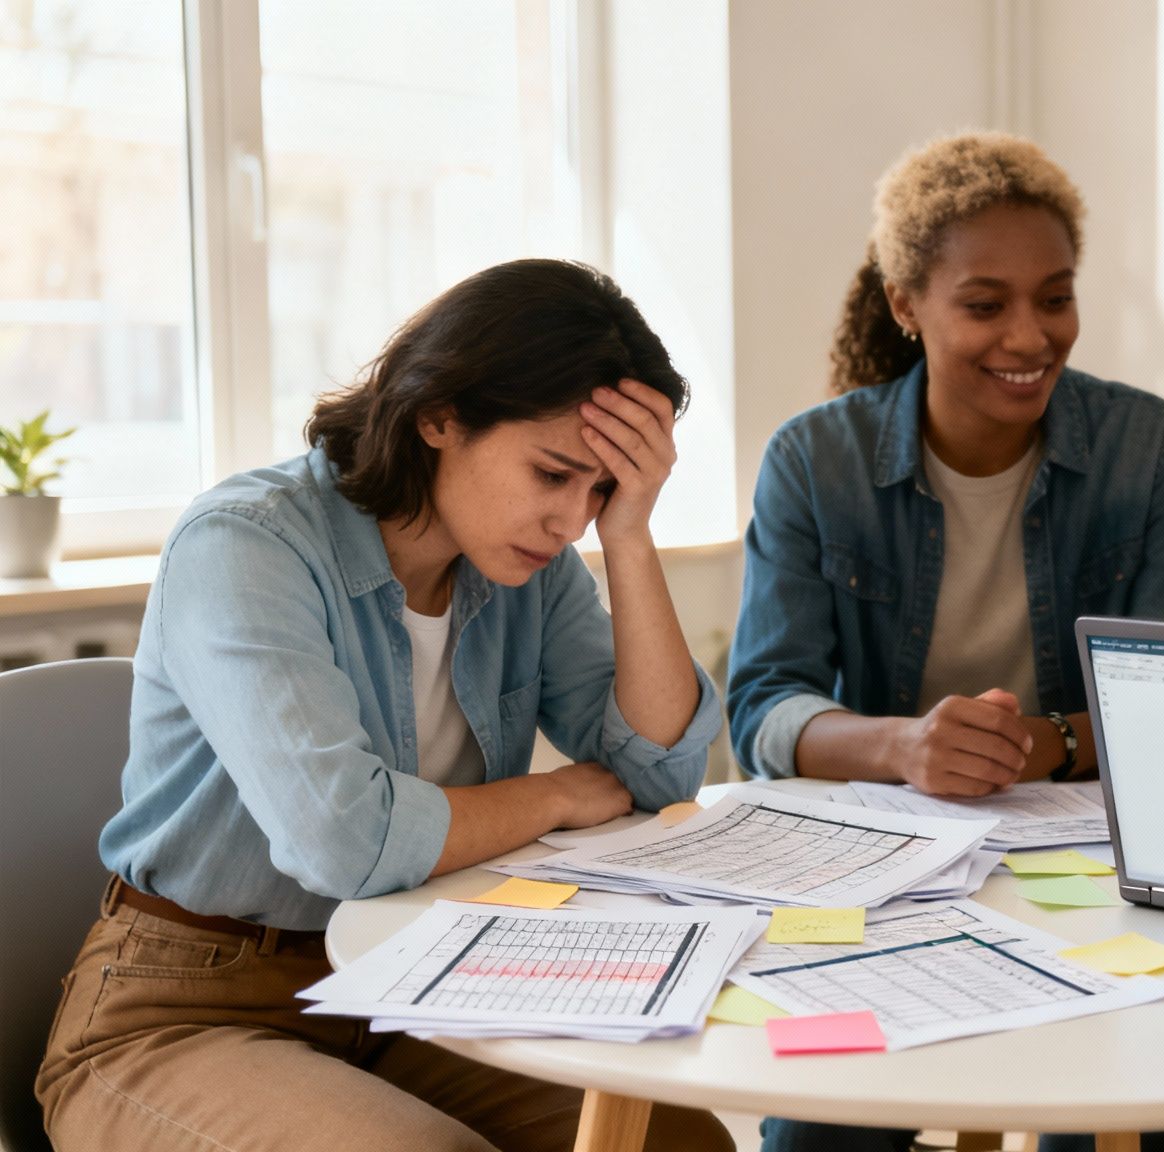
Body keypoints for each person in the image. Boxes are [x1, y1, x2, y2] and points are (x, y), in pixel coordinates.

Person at [37, 259, 734, 1151]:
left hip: (412, 979)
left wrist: (631, 534)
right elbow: (343, 839)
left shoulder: (535, 566)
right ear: (438, 415)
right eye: (554, 473)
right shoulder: (247, 546)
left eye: (600, 490)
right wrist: (554, 796)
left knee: (676, 1141)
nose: (570, 521)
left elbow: (657, 771)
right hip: (189, 1003)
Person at [727, 131, 1164, 1152]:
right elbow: (763, 708)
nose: (1029, 336)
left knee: (1111, 1113)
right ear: (906, 304)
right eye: (984, 304)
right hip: (886, 871)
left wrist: (1053, 744)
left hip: (1086, 867)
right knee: (822, 1136)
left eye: (1055, 296)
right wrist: (900, 746)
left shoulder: (1148, 448)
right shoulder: (814, 460)